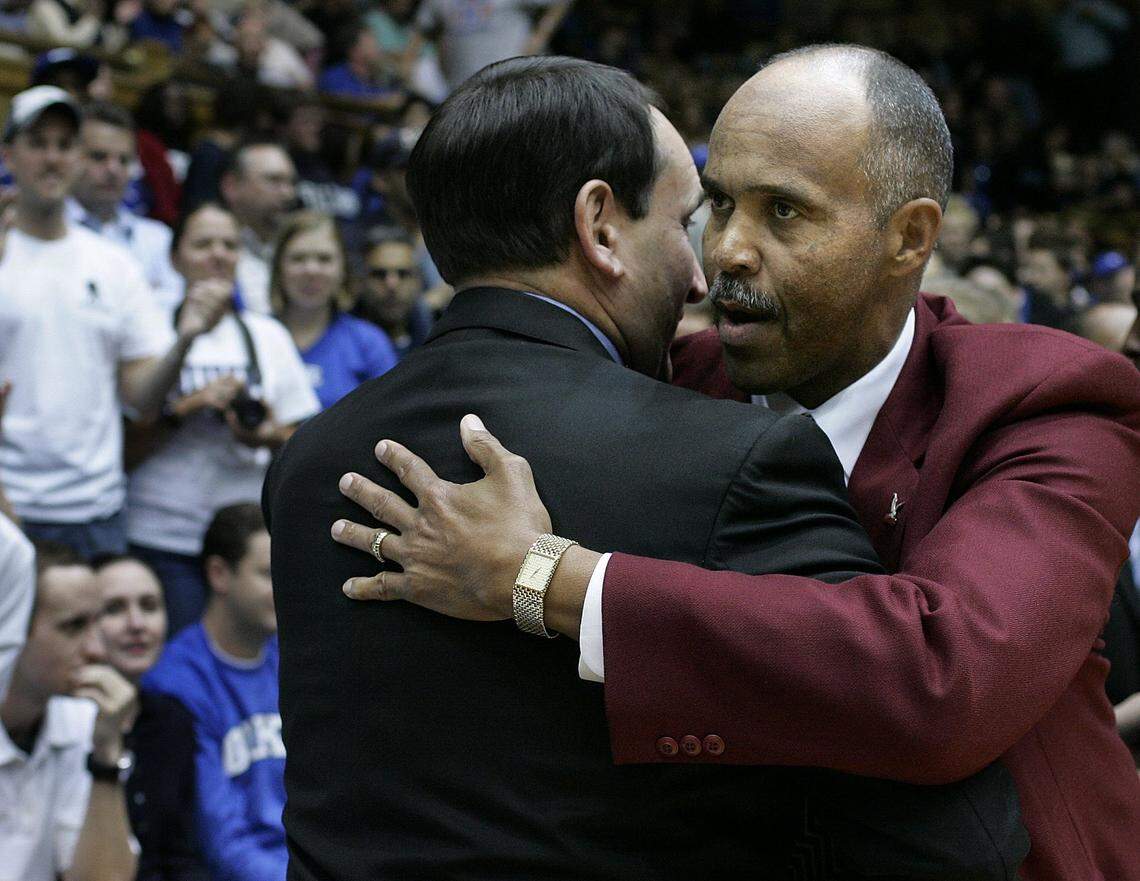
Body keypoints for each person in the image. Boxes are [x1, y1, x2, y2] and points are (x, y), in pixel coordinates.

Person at [331, 45, 1140, 880]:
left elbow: (945, 682)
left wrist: (545, 578)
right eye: (715, 205)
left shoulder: (1046, 398)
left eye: (784, 212)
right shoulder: (660, 390)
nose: (727, 252)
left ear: (910, 237)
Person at [0, 86, 230, 559]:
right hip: (7, 504)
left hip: (96, 510)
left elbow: (141, 398)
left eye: (65, 146)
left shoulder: (114, 264)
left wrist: (185, 338)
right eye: (38, 144)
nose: (52, 159)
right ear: (9, 155)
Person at [125, 202, 319, 635]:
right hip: (162, 533)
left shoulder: (267, 335)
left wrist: (268, 436)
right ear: (175, 258)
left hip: (245, 545)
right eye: (203, 244)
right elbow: (119, 443)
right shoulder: (146, 328)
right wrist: (186, 409)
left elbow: (305, 441)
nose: (218, 254)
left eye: (229, 245)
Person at [143, 503, 286, 881]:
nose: (286, 587)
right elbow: (220, 840)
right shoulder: (176, 682)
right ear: (219, 574)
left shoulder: (292, 657)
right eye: (270, 574)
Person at [0, 541, 138, 881]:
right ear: (14, 631)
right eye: (73, 627)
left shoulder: (81, 722)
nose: (96, 649)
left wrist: (106, 754)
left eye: (97, 624)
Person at [93, 554, 207, 881]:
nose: (137, 624)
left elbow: (180, 853)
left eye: (149, 606)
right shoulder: (63, 725)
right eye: (114, 609)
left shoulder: (172, 720)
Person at [271, 211, 398, 410]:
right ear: (279, 268)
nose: (311, 270)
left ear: (343, 269)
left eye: (324, 259)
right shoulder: (255, 336)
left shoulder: (368, 342)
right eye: (298, 259)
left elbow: (390, 415)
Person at [68, 100, 184, 312]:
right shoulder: (47, 230)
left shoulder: (157, 239)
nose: (113, 169)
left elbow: (171, 312)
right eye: (98, 157)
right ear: (70, 157)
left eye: (124, 160)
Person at [219, 141, 298, 315]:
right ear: (231, 187)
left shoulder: (298, 249)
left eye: (291, 183)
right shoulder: (210, 250)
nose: (288, 193)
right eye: (273, 180)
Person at [357, 232, 433, 358]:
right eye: (379, 274)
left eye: (403, 274)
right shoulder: (339, 343)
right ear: (360, 281)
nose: (392, 285)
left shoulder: (441, 338)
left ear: (418, 281)